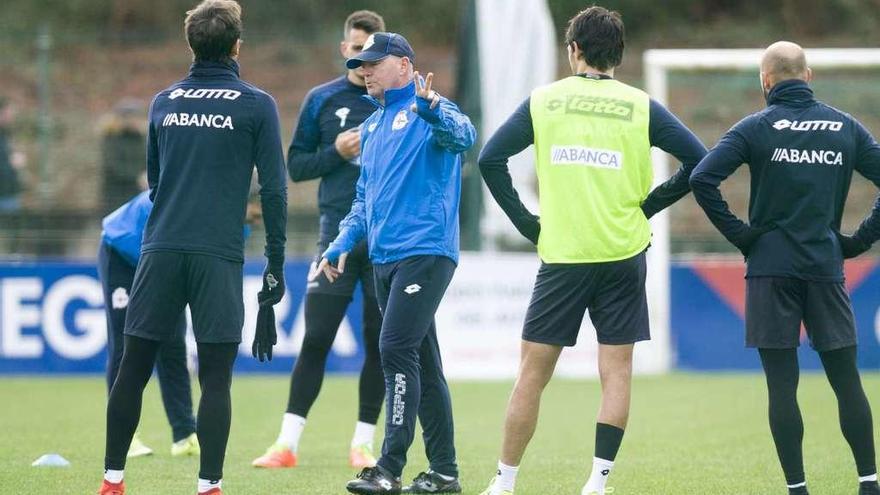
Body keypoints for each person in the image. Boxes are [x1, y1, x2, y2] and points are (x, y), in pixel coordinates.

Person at [476, 6, 708, 495]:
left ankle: (504, 481)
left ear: (573, 50)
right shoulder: (641, 105)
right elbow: (700, 162)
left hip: (563, 254)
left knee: (532, 373)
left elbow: (490, 159)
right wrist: (648, 206)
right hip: (623, 252)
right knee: (616, 371)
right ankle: (598, 482)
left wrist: (528, 224)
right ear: (618, 55)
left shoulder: (545, 101)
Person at [97, 1, 288, 494]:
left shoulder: (163, 102)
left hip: (160, 249)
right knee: (217, 379)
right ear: (236, 45)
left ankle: (112, 482)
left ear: (190, 44)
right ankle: (209, 486)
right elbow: (273, 190)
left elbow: (156, 184)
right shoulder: (256, 104)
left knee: (132, 367)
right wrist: (276, 261)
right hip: (217, 254)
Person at [689, 41, 880, 495]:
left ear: (766, 81)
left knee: (782, 386)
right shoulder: (844, 127)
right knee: (845, 379)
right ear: (808, 76)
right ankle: (870, 484)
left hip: (770, 269)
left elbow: (702, 178)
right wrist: (857, 241)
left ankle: (798, 489)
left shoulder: (756, 127)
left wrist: (742, 235)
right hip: (824, 266)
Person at [313, 31, 475, 495]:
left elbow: (464, 136)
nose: (365, 70)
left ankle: (388, 467)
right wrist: (340, 242)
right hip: (385, 258)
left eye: (375, 63)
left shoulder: (430, 108)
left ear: (404, 65)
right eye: (361, 64)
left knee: (394, 349)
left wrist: (431, 109)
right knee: (424, 361)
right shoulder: (371, 127)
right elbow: (364, 199)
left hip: (425, 252)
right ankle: (444, 472)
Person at [251, 9, 386, 471]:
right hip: (336, 236)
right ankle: (287, 443)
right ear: (343, 48)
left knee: (379, 339)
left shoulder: (398, 103)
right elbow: (297, 166)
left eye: (369, 50)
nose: (360, 58)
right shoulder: (322, 100)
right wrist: (337, 152)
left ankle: (363, 443)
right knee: (317, 336)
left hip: (387, 238)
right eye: (354, 47)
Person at [99, 189, 199, 460]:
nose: (258, 218)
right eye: (256, 211)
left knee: (173, 343)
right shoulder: (178, 197)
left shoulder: (231, 216)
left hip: (160, 260)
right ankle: (125, 435)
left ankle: (185, 434)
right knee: (125, 344)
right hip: (122, 253)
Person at [100, 98, 148, 214]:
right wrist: (137, 177)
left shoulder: (143, 138)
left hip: (139, 193)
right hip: (117, 195)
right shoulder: (112, 138)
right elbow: (114, 166)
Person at [0, 97, 23, 212]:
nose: (11, 116)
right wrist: (12, 164)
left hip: (9, 193)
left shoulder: (5, 134)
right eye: (8, 111)